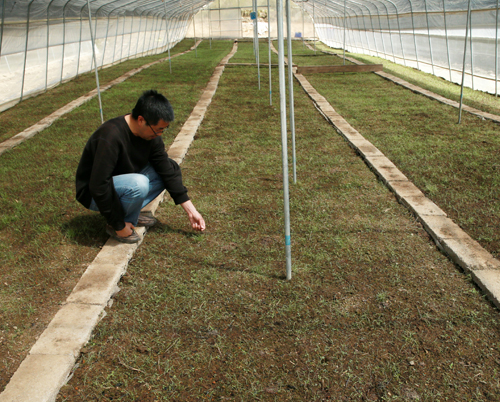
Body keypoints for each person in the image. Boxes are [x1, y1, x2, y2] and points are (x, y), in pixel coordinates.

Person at [75, 89, 205, 243]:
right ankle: (120, 224)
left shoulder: (151, 135)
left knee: (170, 167)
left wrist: (191, 210)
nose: (160, 134)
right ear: (142, 120)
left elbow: (165, 169)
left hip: (121, 182)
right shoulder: (110, 136)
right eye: (158, 129)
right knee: (139, 184)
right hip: (93, 193)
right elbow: (98, 185)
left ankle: (131, 216)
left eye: (164, 129)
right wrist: (118, 225)